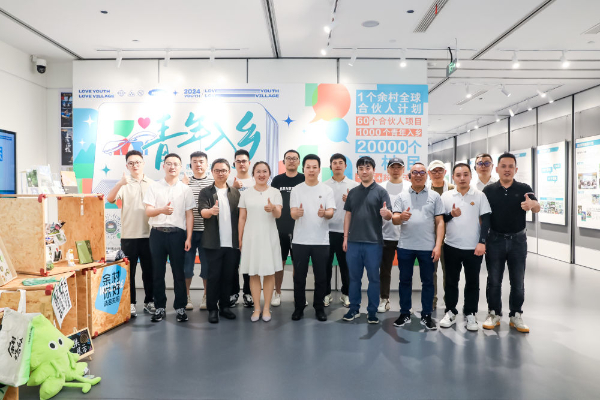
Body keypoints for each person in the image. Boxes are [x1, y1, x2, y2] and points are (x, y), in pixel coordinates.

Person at [482, 153, 540, 333]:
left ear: (516, 169)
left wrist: (532, 205)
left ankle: (516, 314)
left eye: (510, 166)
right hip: (495, 240)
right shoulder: (488, 191)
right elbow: (483, 218)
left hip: (518, 241)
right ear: (497, 169)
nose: (507, 170)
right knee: (494, 280)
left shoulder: (524, 189)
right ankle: (494, 313)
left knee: (518, 281)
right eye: (503, 166)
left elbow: (537, 207)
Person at [143, 153, 195, 323]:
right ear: (163, 166)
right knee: (157, 272)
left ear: (181, 167)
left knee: (179, 273)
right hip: (157, 234)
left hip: (177, 235)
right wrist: (162, 210)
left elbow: (189, 215)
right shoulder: (154, 187)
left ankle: (180, 307)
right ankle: (160, 307)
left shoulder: (185, 189)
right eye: (169, 163)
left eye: (176, 164)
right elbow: (148, 211)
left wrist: (188, 238)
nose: (172, 167)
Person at [392, 162, 444, 330]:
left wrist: (438, 245)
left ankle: (426, 315)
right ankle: (404, 313)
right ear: (409, 176)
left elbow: (440, 222)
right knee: (404, 281)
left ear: (426, 176)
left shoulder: (435, 196)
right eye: (415, 172)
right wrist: (401, 217)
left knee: (428, 282)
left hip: (427, 247)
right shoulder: (401, 196)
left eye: (422, 172)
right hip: (405, 246)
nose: (419, 175)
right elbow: (394, 219)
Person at [439, 163, 491, 331]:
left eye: (465, 174)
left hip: (473, 248)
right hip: (451, 246)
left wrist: (482, 242)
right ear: (453, 177)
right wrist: (451, 215)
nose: (462, 178)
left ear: (470, 176)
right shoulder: (446, 196)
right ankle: (450, 311)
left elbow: (486, 220)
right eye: (458, 175)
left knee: (472, 282)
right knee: (451, 281)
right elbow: (440, 220)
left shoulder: (480, 196)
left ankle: (470, 313)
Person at [342, 156, 392, 324]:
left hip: (373, 243)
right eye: (361, 168)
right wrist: (345, 238)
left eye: (368, 168)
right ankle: (354, 309)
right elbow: (348, 215)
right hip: (353, 242)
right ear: (357, 171)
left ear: (373, 170)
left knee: (374, 279)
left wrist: (387, 214)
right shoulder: (353, 192)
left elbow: (389, 215)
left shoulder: (381, 192)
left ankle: (372, 311)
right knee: (354, 278)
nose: (364, 171)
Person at [106, 150, 154, 317]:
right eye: (131, 163)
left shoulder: (152, 184)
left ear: (143, 163)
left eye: (138, 162)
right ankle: (130, 303)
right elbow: (110, 199)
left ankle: (149, 302)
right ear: (127, 166)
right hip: (129, 237)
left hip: (149, 235)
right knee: (128, 273)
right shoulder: (124, 183)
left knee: (149, 272)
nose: (135, 165)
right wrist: (120, 183)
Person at [290, 155, 336, 321]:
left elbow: (331, 212)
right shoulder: (297, 189)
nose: (311, 170)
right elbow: (292, 213)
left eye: (314, 167)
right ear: (303, 169)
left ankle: (319, 308)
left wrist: (325, 213)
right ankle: (299, 307)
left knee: (321, 277)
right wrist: (297, 213)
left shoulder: (327, 190)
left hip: (321, 241)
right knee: (299, 277)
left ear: (319, 169)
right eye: (308, 167)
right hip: (300, 241)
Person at [238, 161, 283, 322]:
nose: (261, 174)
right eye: (258, 171)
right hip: (251, 237)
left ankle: (266, 308)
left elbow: (278, 214)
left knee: (270, 272)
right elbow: (242, 217)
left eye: (265, 171)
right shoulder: (246, 194)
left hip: (269, 236)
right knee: (254, 273)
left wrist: (273, 208)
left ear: (269, 174)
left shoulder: (275, 192)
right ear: (253, 174)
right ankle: (256, 308)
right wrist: (240, 238)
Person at [199, 159, 241, 324]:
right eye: (217, 170)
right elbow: (202, 212)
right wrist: (210, 211)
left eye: (223, 170)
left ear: (229, 172)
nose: (220, 173)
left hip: (232, 244)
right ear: (212, 172)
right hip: (213, 243)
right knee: (213, 277)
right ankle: (212, 309)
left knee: (228, 276)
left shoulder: (235, 193)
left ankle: (225, 307)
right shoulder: (206, 192)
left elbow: (241, 217)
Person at [271, 149, 305, 306]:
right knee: (280, 262)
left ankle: (299, 294)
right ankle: (277, 293)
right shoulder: (277, 180)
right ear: (284, 162)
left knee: (299, 264)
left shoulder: (304, 179)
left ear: (299, 162)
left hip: (300, 228)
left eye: (294, 158)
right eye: (288, 158)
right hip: (280, 228)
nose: (291, 160)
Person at [323, 153, 358, 308]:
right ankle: (326, 293)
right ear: (330, 166)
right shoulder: (324, 185)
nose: (337, 165)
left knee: (346, 266)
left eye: (340, 162)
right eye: (334, 163)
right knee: (325, 265)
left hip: (346, 233)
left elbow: (359, 210)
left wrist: (351, 202)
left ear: (345, 166)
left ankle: (346, 294)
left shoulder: (354, 185)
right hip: (326, 231)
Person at [183, 151, 213, 311]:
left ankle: (206, 296)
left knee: (207, 266)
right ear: (190, 165)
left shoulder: (213, 182)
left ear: (207, 164)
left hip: (207, 231)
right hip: (188, 232)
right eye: (195, 161)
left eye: (201, 161)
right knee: (186, 267)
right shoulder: (184, 183)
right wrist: (183, 187)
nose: (198, 164)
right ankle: (186, 296)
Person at [378, 157, 406, 313]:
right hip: (385, 235)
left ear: (403, 170)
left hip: (406, 237)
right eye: (393, 167)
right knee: (385, 271)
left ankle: (405, 303)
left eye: (399, 167)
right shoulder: (381, 187)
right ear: (387, 169)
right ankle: (384, 299)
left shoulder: (409, 186)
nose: (396, 170)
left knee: (405, 272)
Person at [227, 149, 254, 308]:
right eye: (238, 161)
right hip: (231, 227)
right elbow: (223, 202)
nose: (242, 164)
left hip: (251, 227)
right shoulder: (228, 181)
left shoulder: (256, 181)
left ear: (249, 163)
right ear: (234, 164)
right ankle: (233, 292)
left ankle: (248, 293)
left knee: (249, 262)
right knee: (232, 262)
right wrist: (233, 188)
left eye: (244, 161)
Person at [427, 160, 455, 310]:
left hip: (450, 238)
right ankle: (432, 301)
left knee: (449, 273)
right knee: (431, 272)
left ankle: (449, 302)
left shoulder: (453, 189)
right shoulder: (425, 189)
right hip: (429, 237)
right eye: (434, 171)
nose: (437, 173)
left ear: (445, 172)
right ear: (429, 173)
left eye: (440, 170)